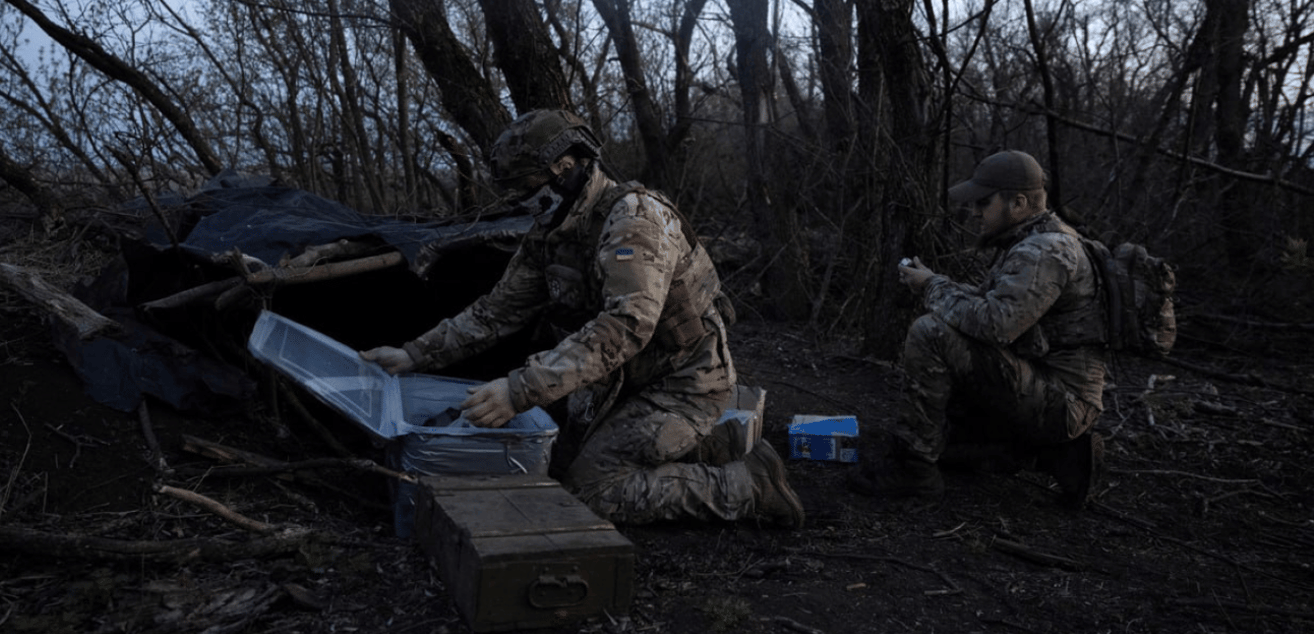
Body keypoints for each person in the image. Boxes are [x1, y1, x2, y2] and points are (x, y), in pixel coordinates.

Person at [362, 109, 804, 528]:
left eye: (527, 187)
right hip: (619, 383)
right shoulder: (550, 233)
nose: (520, 200)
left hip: (684, 384)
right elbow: (497, 311)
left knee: (591, 489)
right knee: (555, 459)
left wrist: (520, 391)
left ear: (567, 166)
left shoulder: (635, 220)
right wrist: (412, 354)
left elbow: (626, 326)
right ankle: (713, 447)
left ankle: (750, 487)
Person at [850, 150, 1107, 508]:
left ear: (1018, 202)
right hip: (1045, 387)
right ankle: (1055, 456)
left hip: (1060, 402)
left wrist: (931, 288)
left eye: (983, 203)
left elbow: (993, 325)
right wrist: (937, 281)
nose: (974, 213)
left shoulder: (1046, 250)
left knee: (931, 333)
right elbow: (993, 307)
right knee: (952, 444)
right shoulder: (1036, 240)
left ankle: (915, 471)